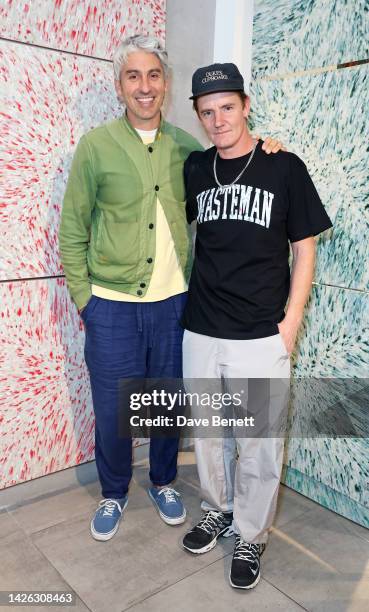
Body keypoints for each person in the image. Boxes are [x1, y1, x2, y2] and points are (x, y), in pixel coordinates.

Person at [59, 36, 283, 542]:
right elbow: (73, 228)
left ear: (166, 83)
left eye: (154, 75)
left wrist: (271, 146)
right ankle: (114, 491)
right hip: (111, 306)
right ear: (120, 85)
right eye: (134, 76)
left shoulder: (189, 149)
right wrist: (84, 300)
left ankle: (163, 480)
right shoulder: (95, 147)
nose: (145, 86)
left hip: (174, 306)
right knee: (114, 406)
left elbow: (236, 160)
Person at [181, 63, 332, 590]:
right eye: (207, 111)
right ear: (198, 117)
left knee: (260, 442)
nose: (218, 119)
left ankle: (250, 532)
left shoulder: (283, 166)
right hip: (201, 328)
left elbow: (305, 247)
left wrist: (291, 322)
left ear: (246, 105)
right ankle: (218, 508)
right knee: (209, 434)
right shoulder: (196, 169)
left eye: (227, 107)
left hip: (260, 332)